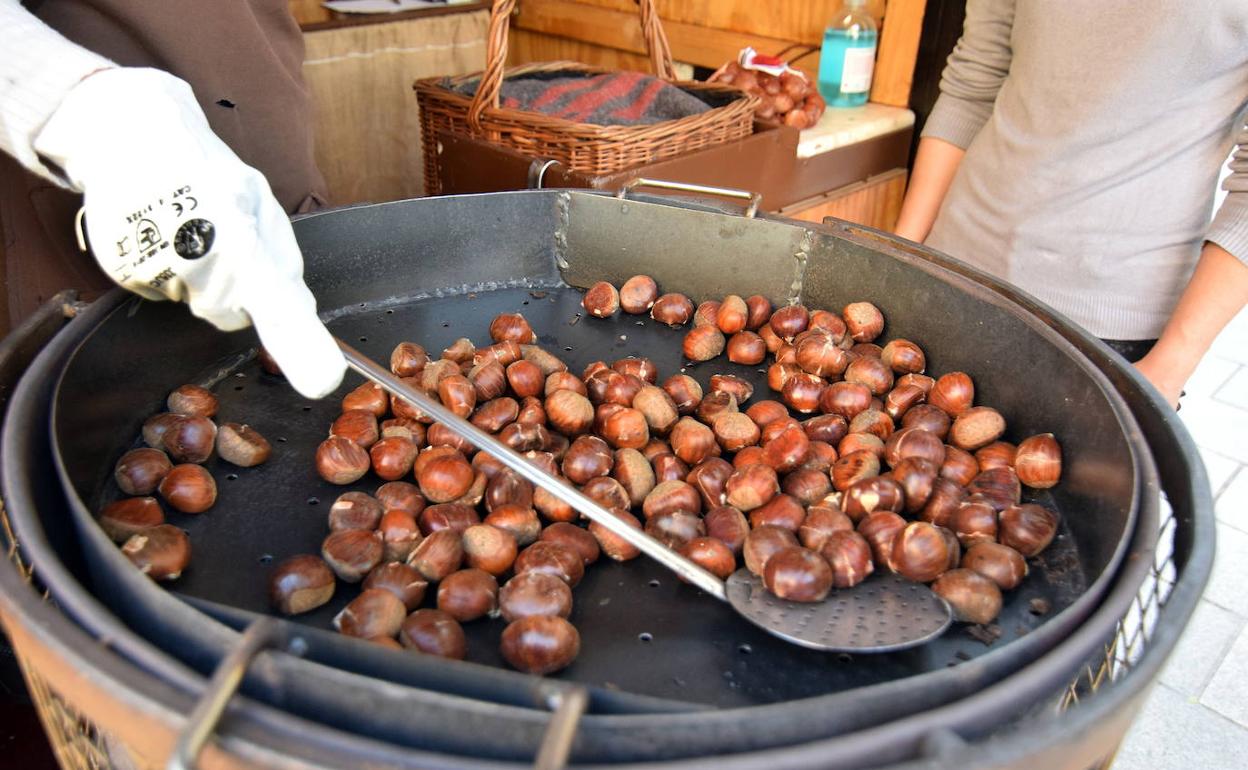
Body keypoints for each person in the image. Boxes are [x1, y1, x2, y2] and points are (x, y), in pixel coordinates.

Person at [894, 0, 1248, 407]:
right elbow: (974, 82)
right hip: (949, 270)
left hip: (1109, 323)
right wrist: (900, 256)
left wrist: (1169, 367)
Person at [0, 0, 347, 399]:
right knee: (102, 385)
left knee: (288, 306)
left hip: (260, 92)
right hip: (104, 159)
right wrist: (78, 113)